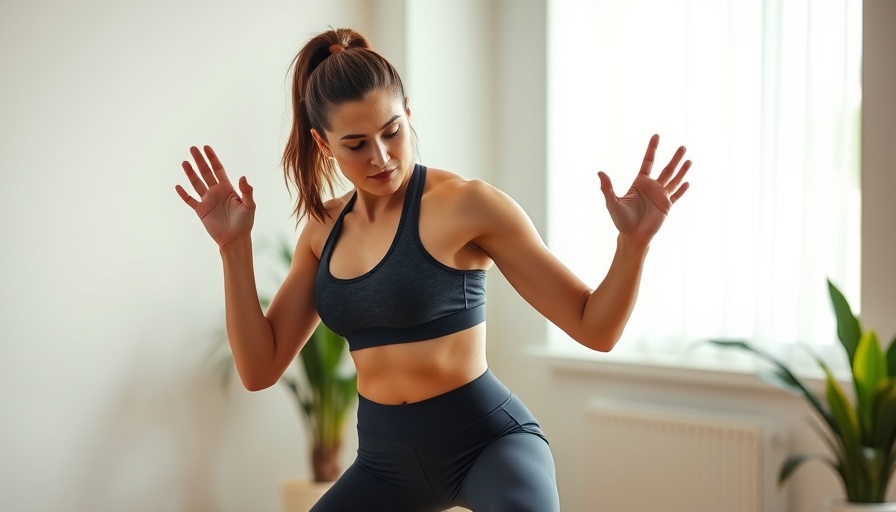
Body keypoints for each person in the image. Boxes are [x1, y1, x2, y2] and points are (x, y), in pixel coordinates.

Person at [175, 27, 689, 512]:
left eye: (392, 131)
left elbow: (595, 327)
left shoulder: (467, 205)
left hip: (488, 445)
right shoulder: (322, 230)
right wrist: (233, 249)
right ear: (322, 143)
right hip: (383, 465)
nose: (380, 157)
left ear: (408, 114)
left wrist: (632, 243)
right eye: (355, 144)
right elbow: (259, 368)